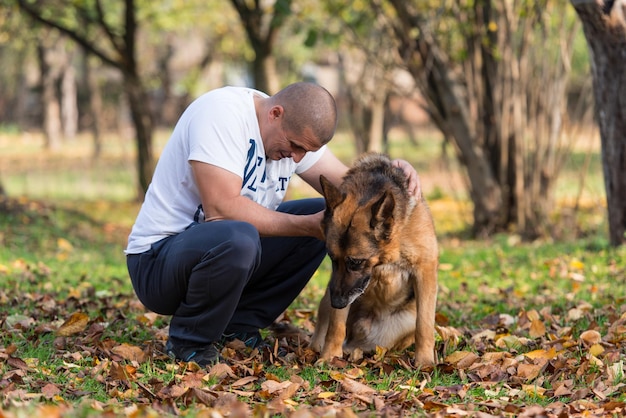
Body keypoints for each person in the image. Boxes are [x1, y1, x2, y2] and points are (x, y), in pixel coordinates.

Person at [125, 82, 421, 366]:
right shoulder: (221, 114)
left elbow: (352, 192)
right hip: (157, 263)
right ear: (275, 114)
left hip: (223, 253)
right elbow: (221, 208)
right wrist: (307, 226)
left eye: (305, 152)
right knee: (241, 236)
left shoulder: (294, 132)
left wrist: (393, 175)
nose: (297, 158)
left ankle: (238, 325)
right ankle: (189, 341)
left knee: (326, 213)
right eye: (294, 147)